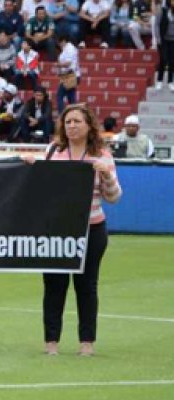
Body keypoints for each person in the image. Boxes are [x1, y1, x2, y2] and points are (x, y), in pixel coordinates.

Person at [25, 104, 121, 357]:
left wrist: (107, 177)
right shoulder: (54, 152)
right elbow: (40, 190)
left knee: (86, 286)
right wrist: (32, 169)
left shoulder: (101, 155)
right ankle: (51, 342)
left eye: (77, 121)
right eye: (68, 122)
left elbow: (114, 197)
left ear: (89, 125)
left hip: (92, 228)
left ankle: (86, 342)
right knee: (54, 285)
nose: (72, 126)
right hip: (57, 230)